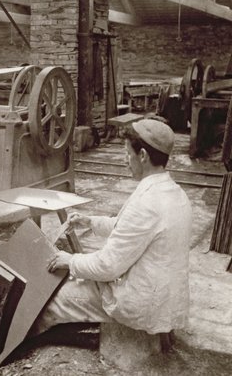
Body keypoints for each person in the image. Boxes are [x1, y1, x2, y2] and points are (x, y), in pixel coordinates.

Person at [33, 118, 192, 336]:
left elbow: (107, 267)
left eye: (128, 153)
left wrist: (70, 260)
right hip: (167, 297)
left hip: (142, 304)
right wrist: (91, 222)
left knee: (50, 302)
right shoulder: (174, 193)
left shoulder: (147, 203)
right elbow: (131, 228)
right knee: (80, 273)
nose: (126, 160)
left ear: (143, 156)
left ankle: (20, 348)